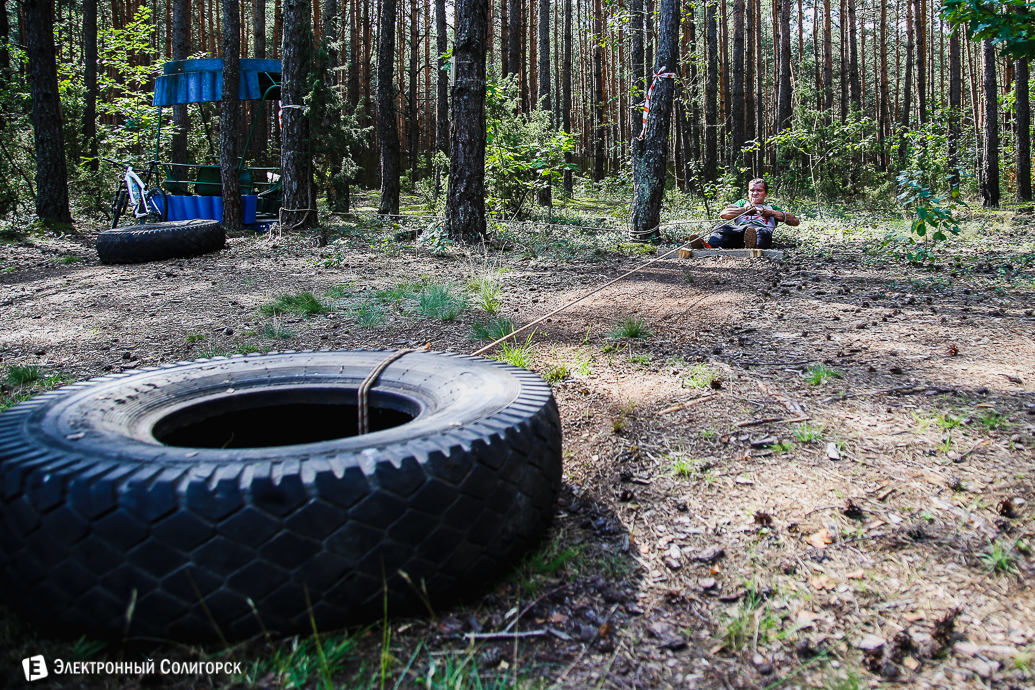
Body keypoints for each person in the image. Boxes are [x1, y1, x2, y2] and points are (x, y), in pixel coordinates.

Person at [707, 178, 799, 249]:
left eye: (759, 190)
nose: (755, 193)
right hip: (739, 231)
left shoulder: (771, 208)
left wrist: (772, 213)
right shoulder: (742, 203)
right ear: (748, 193)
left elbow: (795, 221)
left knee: (763, 232)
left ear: (766, 193)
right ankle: (708, 247)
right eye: (752, 190)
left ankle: (753, 247)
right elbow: (724, 214)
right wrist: (745, 210)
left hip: (760, 230)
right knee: (721, 228)